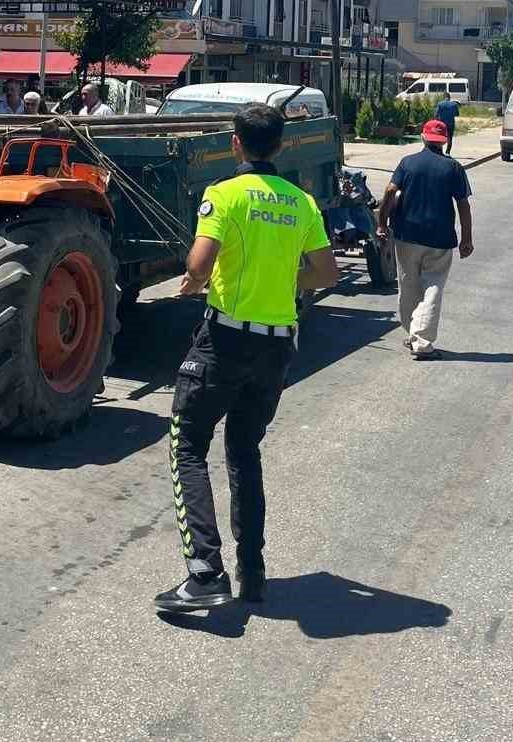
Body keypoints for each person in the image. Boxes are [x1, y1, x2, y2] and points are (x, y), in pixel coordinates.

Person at [154, 103, 338, 614]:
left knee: (187, 442)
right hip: (277, 346)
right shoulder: (301, 203)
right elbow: (326, 274)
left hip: (226, 341)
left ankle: (204, 572)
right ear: (279, 146)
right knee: (244, 450)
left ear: (236, 144)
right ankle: (251, 572)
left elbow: (198, 262)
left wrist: (196, 280)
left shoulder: (224, 195)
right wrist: (281, 281)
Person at [377, 118, 473, 359]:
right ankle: (421, 341)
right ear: (445, 142)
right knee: (432, 288)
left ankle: (413, 333)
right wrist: (466, 239)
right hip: (440, 239)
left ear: (423, 137)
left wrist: (382, 224)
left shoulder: (407, 163)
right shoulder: (453, 168)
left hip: (406, 235)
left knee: (408, 285)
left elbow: (389, 191)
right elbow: (463, 205)